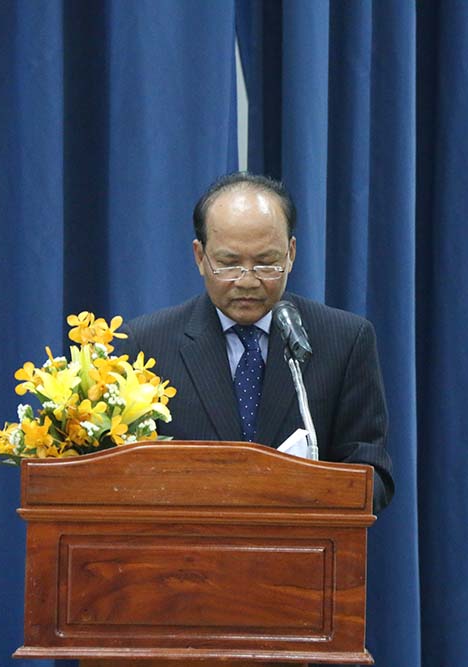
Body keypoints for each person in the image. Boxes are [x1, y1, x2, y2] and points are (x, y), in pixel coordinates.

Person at [120, 172, 394, 513]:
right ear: (200, 257)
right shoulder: (145, 346)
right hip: (185, 557)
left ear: (291, 253)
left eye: (266, 263)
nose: (247, 281)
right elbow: (121, 475)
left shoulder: (345, 340)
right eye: (229, 264)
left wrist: (315, 494)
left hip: (302, 554)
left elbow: (372, 471)